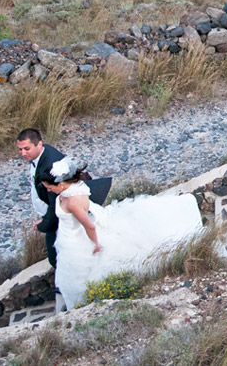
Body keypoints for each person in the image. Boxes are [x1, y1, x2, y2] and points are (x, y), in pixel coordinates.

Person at [40, 156, 203, 309]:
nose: (48, 190)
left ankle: (79, 306)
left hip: (75, 239)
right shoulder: (73, 189)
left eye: (49, 187)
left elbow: (89, 226)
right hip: (68, 235)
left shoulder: (73, 202)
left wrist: (96, 244)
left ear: (61, 184)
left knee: (76, 276)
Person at [16, 128, 65, 268]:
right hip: (49, 212)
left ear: (39, 144)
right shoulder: (40, 154)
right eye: (20, 149)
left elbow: (55, 202)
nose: (23, 153)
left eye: (26, 148)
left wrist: (44, 224)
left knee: (55, 258)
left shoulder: (50, 166)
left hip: (55, 216)